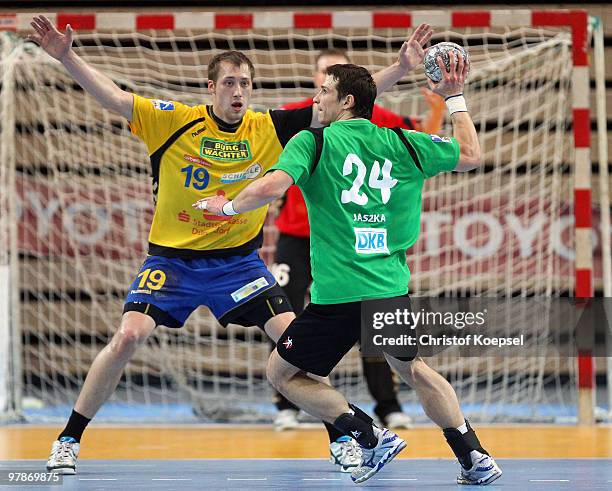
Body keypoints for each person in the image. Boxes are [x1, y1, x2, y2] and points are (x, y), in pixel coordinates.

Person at [28, 15, 433, 475]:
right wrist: (67, 57)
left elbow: (348, 100)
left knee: (294, 343)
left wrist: (399, 69)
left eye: (246, 83)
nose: (239, 91)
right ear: (211, 87)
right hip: (173, 263)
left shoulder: (267, 127)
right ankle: (69, 437)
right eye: (230, 83)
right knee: (127, 337)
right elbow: (117, 98)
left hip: (240, 265)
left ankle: (342, 435)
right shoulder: (174, 122)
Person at [195, 54, 502, 485]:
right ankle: (473, 455)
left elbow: (273, 186)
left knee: (282, 374)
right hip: (389, 289)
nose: (316, 97)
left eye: (325, 90)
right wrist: (454, 97)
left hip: (338, 296)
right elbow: (470, 154)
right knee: (412, 369)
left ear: (346, 101)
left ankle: (368, 434)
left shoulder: (313, 142)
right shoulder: (406, 142)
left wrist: (225, 206)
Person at [271, 48, 445, 433]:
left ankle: (385, 406)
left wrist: (437, 106)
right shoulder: (305, 117)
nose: (320, 89)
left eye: (328, 80)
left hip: (350, 244)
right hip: (297, 238)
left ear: (347, 91)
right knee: (286, 320)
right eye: (319, 76)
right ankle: (288, 404)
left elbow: (424, 136)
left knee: (372, 326)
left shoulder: (378, 123)